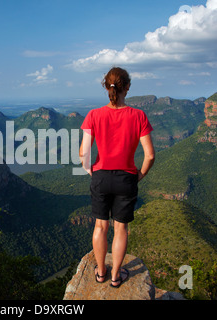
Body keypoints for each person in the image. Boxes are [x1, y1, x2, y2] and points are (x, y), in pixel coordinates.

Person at [79, 67, 155, 288]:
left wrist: (91, 171)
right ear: (128, 87)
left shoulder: (94, 115)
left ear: (106, 87)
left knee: (100, 226)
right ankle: (115, 277)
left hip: (101, 177)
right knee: (120, 228)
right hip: (126, 178)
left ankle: (100, 272)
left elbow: (84, 153)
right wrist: (139, 175)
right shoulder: (138, 116)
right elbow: (149, 155)